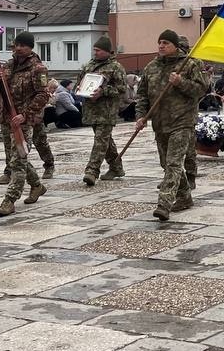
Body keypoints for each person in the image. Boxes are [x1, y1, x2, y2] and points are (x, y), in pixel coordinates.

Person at [134, 29, 206, 221]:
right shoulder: (151, 67)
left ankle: (164, 204)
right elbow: (142, 95)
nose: (161, 46)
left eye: (166, 43)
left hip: (182, 121)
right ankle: (184, 196)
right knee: (166, 163)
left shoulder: (189, 65)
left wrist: (181, 82)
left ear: (175, 45)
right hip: (160, 123)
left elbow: (201, 90)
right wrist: (141, 116)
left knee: (174, 162)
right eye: (160, 42)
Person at [0, 31, 52, 217]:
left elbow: (43, 95)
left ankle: (9, 200)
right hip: (7, 118)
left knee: (17, 162)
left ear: (30, 47)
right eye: (16, 45)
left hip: (23, 121)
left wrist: (25, 115)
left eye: (22, 45)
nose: (18, 48)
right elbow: (1, 90)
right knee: (16, 158)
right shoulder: (9, 65)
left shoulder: (37, 68)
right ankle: (36, 185)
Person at [80, 36, 128, 185]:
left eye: (98, 50)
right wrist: (79, 88)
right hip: (92, 109)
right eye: (94, 50)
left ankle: (92, 171)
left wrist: (103, 91)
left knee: (100, 141)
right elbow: (81, 81)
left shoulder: (115, 67)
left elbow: (121, 89)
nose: (95, 53)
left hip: (107, 111)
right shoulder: (89, 65)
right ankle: (116, 167)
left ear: (107, 51)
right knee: (105, 140)